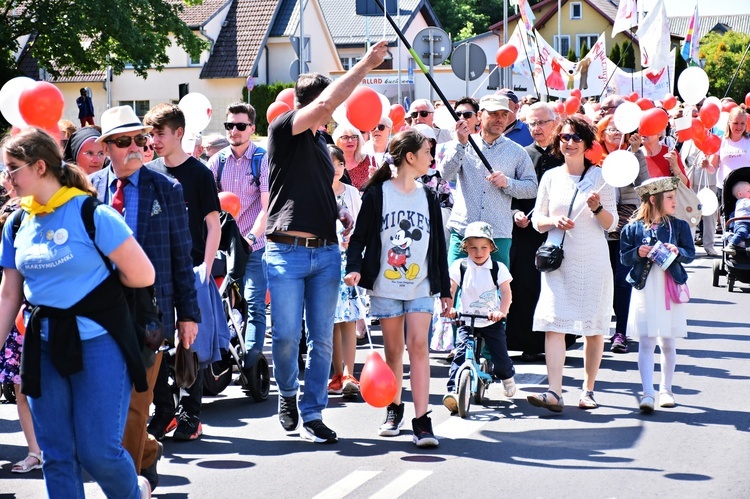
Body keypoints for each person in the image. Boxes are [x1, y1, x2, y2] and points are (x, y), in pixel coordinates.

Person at [0, 127, 155, 498]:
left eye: (12, 169)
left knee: (98, 452)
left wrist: (91, 299)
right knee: (55, 454)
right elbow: (9, 293)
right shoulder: (17, 222)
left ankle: (134, 492)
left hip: (98, 343)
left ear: (39, 167)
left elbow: (142, 274)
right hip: (42, 345)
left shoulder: (91, 213)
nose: (7, 179)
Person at [265, 40, 388, 444]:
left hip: (326, 254)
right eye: (327, 103)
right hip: (285, 252)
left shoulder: (322, 146)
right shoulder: (283, 129)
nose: (332, 110)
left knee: (321, 339)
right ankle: (287, 393)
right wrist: (366, 64)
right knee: (285, 337)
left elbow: (314, 190)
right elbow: (321, 106)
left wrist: (339, 211)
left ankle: (313, 411)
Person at [89, 105, 200, 490]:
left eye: (140, 138)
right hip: (99, 315)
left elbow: (181, 256)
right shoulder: (88, 190)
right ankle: (148, 451)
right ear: (106, 148)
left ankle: (128, 487)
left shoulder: (166, 189)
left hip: (150, 317)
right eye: (124, 141)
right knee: (104, 410)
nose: (137, 147)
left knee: (138, 404)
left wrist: (188, 314)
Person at [345, 129, 452, 447]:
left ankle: (422, 421)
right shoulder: (377, 194)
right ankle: (394, 409)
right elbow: (359, 238)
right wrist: (353, 268)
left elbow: (437, 247)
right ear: (410, 157)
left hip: (421, 286)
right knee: (394, 352)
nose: (431, 158)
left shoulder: (429, 196)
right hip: (385, 288)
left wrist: (444, 289)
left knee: (419, 346)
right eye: (427, 152)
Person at [143, 103, 222, 442]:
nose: (154, 140)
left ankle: (191, 413)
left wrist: (205, 265)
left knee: (191, 342)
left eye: (159, 133)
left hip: (191, 268)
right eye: (151, 134)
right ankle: (164, 411)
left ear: (178, 133)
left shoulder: (200, 173)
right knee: (158, 342)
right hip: (157, 273)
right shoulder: (150, 172)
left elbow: (213, 224)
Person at [526, 116, 617, 413]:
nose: (570, 142)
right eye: (565, 137)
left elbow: (610, 223)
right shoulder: (551, 177)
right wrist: (554, 221)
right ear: (558, 142)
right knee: (554, 323)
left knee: (593, 328)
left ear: (588, 143)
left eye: (577, 138)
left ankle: (588, 390)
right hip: (558, 261)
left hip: (592, 259)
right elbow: (537, 221)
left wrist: (597, 207)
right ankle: (554, 391)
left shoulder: (601, 177)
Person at [620, 177, 695, 412]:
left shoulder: (678, 226)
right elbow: (624, 258)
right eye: (670, 197)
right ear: (654, 199)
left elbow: (690, 253)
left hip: (668, 288)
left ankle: (666, 389)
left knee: (668, 341)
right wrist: (637, 253)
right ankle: (647, 393)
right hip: (645, 288)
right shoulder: (632, 228)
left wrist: (678, 250)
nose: (675, 202)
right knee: (646, 340)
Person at [439, 94, 538, 269]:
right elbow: (445, 173)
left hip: (497, 234)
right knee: (454, 289)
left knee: (496, 291)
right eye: (493, 114)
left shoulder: (517, 152)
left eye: (504, 114)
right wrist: (460, 144)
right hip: (463, 230)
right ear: (479, 116)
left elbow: (531, 188)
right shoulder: (463, 143)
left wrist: (508, 183)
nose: (499, 119)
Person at [207, 102, 270, 379]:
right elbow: (208, 206)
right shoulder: (216, 162)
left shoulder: (262, 159)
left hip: (253, 245)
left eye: (240, 126)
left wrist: (251, 238)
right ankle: (223, 354)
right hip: (224, 247)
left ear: (252, 129)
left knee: (255, 303)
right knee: (224, 305)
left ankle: (251, 361)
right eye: (229, 125)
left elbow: (268, 208)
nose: (234, 130)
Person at [442, 222, 515, 413]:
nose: (478, 252)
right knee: (459, 355)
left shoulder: (497, 268)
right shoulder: (461, 265)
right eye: (473, 247)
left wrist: (502, 311)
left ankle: (507, 378)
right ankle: (453, 391)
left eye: (484, 247)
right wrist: (449, 307)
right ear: (465, 247)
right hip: (466, 319)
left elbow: (506, 292)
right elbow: (451, 288)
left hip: (491, 320)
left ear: (491, 247)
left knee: (500, 355)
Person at [508, 102, 560, 361]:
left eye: (541, 122)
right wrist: (515, 212)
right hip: (526, 232)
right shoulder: (520, 154)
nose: (536, 129)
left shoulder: (565, 154)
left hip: (558, 231)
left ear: (555, 122)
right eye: (531, 123)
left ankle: (555, 340)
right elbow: (511, 191)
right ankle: (528, 341)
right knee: (526, 285)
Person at [596, 115, 650, 353]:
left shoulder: (633, 156)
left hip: (624, 229)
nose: (616, 133)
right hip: (597, 227)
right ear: (602, 134)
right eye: (611, 130)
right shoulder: (593, 157)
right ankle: (594, 331)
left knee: (622, 281)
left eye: (620, 129)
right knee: (598, 282)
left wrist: (636, 154)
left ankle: (620, 332)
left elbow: (644, 185)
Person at [0, 182, 42, 475]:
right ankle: (35, 452)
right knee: (22, 390)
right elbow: (8, 289)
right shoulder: (13, 218)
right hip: (18, 322)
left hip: (55, 321)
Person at [326, 145, 365, 397]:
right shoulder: (317, 192)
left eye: (339, 163)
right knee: (331, 320)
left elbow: (361, 225)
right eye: (330, 163)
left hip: (347, 260)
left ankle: (350, 372)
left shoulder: (351, 193)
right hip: (324, 259)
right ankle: (337, 372)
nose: (336, 168)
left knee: (349, 318)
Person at [707, 106, 750, 190]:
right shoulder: (719, 140)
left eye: (742, 123)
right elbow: (712, 169)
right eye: (735, 123)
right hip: (725, 188)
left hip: (747, 189)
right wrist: (707, 165)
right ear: (729, 122)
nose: (739, 127)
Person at [332, 126, 376, 190]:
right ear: (337, 140)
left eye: (354, 137)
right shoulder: (329, 162)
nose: (350, 140)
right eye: (345, 137)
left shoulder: (370, 160)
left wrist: (376, 177)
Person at [723, 180, 750, 255]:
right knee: (742, 232)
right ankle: (731, 245)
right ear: (740, 194)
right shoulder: (744, 201)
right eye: (749, 191)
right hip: (742, 223)